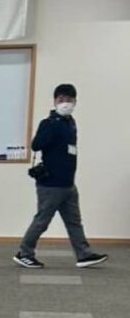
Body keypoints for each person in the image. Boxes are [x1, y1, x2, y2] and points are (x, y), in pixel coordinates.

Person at [14, 83, 106, 269]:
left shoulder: (71, 123)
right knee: (42, 221)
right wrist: (53, 126)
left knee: (74, 222)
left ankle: (84, 254)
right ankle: (24, 253)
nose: (65, 103)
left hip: (68, 183)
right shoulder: (49, 123)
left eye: (69, 100)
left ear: (75, 102)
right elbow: (36, 145)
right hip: (51, 184)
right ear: (55, 101)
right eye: (61, 99)